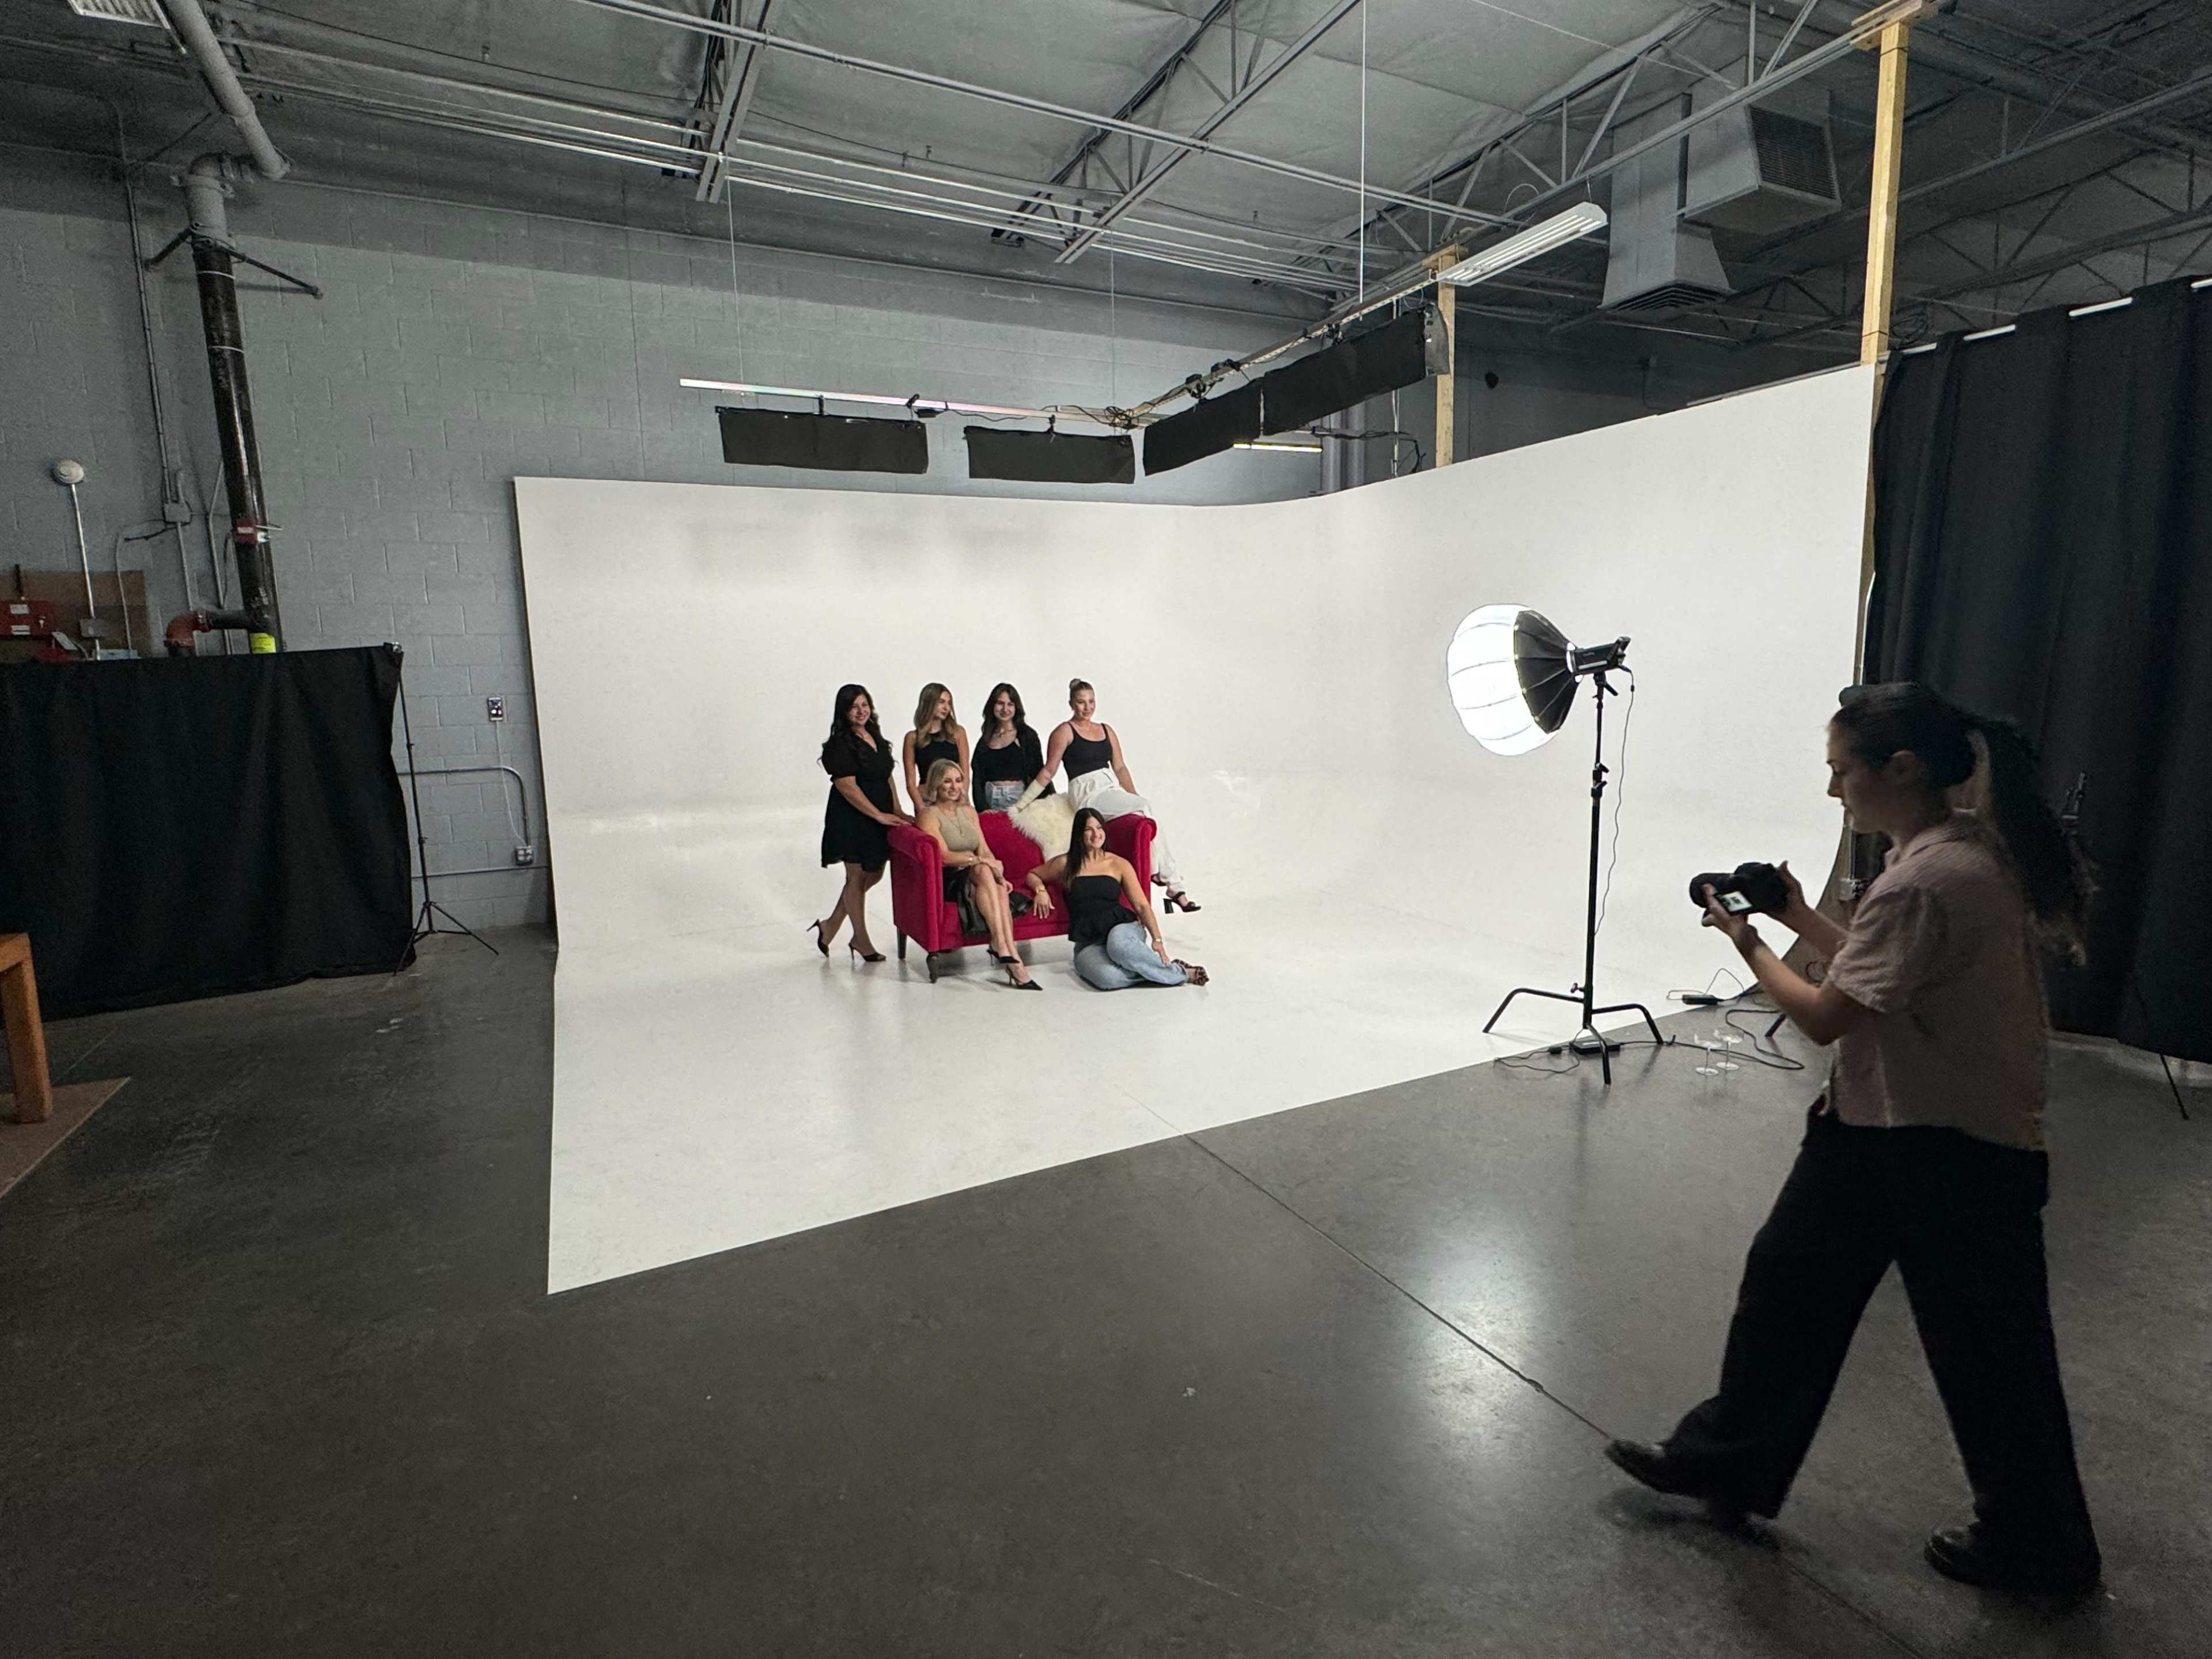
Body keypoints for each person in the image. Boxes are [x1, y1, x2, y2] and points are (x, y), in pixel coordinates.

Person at [1605, 682, 2101, 1599]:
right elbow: (1885, 972)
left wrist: (1745, 944)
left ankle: (2041, 1544)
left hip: (1947, 1152)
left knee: (1991, 1357)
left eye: (1844, 772)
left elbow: (1830, 1017)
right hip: (1888, 1135)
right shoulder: (1951, 857)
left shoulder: (1924, 880)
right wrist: (1797, 918)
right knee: (1789, 1290)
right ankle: (1726, 1460)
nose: (1836, 792)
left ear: (1900, 771)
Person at [1017, 679, 1198, 912]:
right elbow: (1049, 771)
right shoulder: (1064, 731)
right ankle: (1172, 885)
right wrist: (1021, 805)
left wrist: (1133, 797)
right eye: (1081, 702)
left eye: (1091, 702)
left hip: (1111, 787)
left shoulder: (1106, 730)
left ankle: (1169, 881)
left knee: (1144, 809)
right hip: (1087, 792)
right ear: (1071, 703)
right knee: (1145, 806)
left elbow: (1120, 768)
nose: (1087, 707)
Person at [1025, 808, 1206, 991]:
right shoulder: (1065, 864)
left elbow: (1142, 905)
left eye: (1099, 827)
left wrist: (1157, 940)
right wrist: (1041, 891)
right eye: (1089, 829)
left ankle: (1180, 972)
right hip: (1089, 941)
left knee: (1118, 946)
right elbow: (1033, 875)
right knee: (1109, 979)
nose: (1096, 834)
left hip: (1122, 929)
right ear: (1079, 834)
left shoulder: (1118, 864)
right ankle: (1153, 971)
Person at [915, 759, 1038, 990]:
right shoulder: (928, 815)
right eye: (947, 781)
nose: (954, 787)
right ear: (936, 785)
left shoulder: (970, 812)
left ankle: (1013, 959)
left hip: (976, 876)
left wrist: (1000, 875)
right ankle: (1001, 944)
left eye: (958, 781)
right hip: (950, 878)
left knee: (1000, 887)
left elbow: (983, 848)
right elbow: (944, 856)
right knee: (983, 869)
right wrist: (982, 862)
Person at [811, 683, 906, 964]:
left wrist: (897, 809)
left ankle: (830, 926)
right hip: (851, 818)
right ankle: (861, 939)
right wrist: (877, 814)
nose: (861, 711)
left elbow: (887, 775)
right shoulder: (839, 745)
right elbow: (847, 787)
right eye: (855, 707)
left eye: (865, 705)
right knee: (855, 877)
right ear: (844, 711)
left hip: (880, 815)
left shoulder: (874, 736)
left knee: (873, 874)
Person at [970, 682, 1051, 813]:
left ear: (1016, 708)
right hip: (991, 802)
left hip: (1020, 802)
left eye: (1010, 704)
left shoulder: (1026, 736)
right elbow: (977, 778)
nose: (1005, 709)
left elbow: (1038, 773)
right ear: (992, 706)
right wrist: (982, 808)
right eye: (1000, 703)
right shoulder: (985, 739)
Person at [901, 682, 969, 816]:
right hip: (927, 798)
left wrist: (963, 798)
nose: (946, 708)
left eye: (949, 703)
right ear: (929, 703)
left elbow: (965, 771)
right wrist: (920, 807)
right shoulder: (913, 738)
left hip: (955, 796)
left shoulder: (957, 733)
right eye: (941, 702)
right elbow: (910, 781)